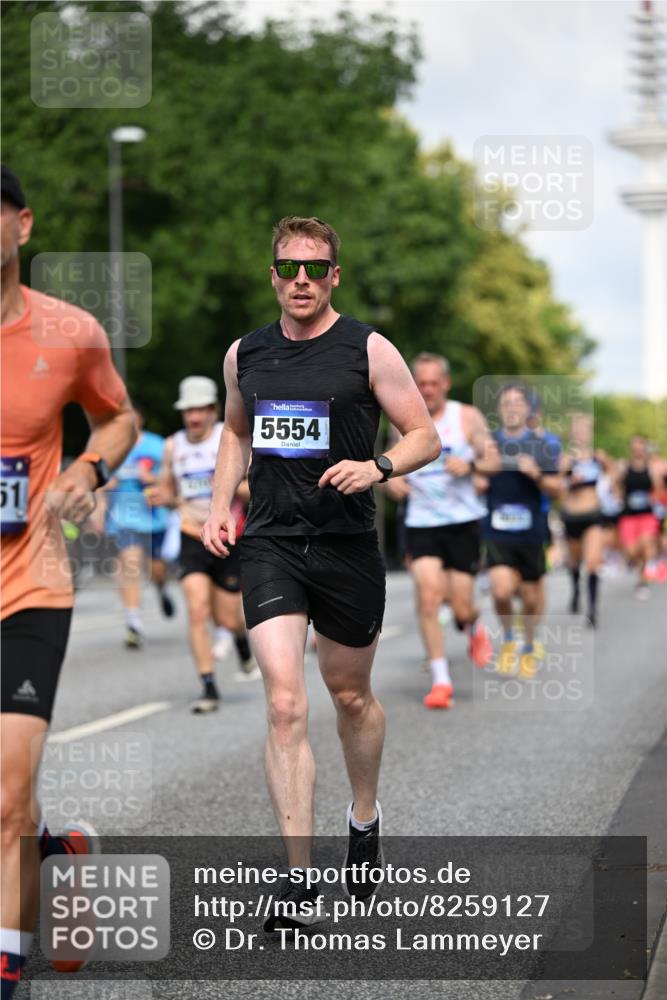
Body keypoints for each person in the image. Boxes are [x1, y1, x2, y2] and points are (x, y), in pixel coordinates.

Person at [201, 216, 440, 922]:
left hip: (345, 545)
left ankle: (363, 816)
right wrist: (218, 506)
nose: (300, 280)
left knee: (349, 696)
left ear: (334, 275)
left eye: (314, 268)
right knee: (284, 704)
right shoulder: (245, 353)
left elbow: (424, 434)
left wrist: (377, 466)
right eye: (288, 268)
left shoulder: (367, 348)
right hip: (271, 542)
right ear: (272, 275)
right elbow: (236, 431)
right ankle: (300, 880)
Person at [0, 165, 136, 997]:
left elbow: (119, 416)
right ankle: (59, 849)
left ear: (22, 225)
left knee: (6, 792)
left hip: (31, 585)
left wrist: (88, 468)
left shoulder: (69, 331)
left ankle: (5, 962)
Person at [385, 352, 495, 710]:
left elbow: (494, 460)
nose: (427, 389)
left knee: (461, 606)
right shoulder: (402, 420)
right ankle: (441, 679)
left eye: (433, 383)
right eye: (421, 383)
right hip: (421, 523)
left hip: (462, 522)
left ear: (445, 384)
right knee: (430, 597)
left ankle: (473, 626)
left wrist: (472, 464)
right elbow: (389, 465)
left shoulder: (467, 417)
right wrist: (392, 482)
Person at [149, 376, 258, 713]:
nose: (194, 417)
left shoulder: (231, 438)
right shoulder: (173, 446)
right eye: (188, 411)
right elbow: (169, 491)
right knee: (197, 610)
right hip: (191, 536)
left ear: (213, 409)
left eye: (200, 410)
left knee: (228, 617)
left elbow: (254, 489)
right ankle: (208, 685)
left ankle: (240, 640)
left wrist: (224, 487)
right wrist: (161, 496)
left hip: (228, 537)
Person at [481, 383, 562, 679]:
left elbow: (558, 490)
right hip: (496, 528)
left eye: (518, 402)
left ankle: (528, 645)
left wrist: (537, 474)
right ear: (499, 408)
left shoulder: (543, 444)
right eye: (506, 402)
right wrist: (476, 477)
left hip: (531, 531)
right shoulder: (488, 442)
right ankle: (508, 639)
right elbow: (474, 477)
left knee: (530, 597)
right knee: (501, 589)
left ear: (528, 409)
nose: (512, 407)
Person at [104, 403, 175, 648]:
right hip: (124, 519)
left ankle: (161, 588)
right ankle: (133, 624)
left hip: (154, 518)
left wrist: (151, 479)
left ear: (140, 420)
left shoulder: (156, 445)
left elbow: (171, 480)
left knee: (157, 569)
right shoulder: (111, 447)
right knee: (131, 566)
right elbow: (100, 481)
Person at [559, 413, 610, 627]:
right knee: (574, 561)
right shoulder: (566, 459)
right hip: (572, 516)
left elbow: (614, 475)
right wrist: (568, 477)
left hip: (593, 515)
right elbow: (557, 485)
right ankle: (576, 591)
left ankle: (592, 608)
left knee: (593, 562)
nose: (581, 433)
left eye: (584, 429)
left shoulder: (598, 457)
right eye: (577, 429)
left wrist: (611, 491)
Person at [614, 434, 663, 598]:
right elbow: (616, 485)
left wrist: (653, 499)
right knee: (631, 551)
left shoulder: (652, 469)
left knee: (646, 543)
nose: (638, 449)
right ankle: (641, 569)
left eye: (640, 446)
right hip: (628, 515)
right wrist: (618, 496)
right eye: (635, 446)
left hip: (647, 514)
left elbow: (658, 489)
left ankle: (643, 582)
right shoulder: (624, 467)